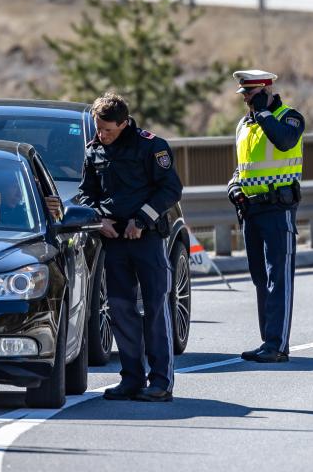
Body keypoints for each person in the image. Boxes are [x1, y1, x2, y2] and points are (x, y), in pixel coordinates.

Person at [78, 93, 183, 402]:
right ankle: (131, 379)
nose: (102, 134)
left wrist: (141, 219)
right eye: (98, 128)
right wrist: (99, 220)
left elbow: (171, 189)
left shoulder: (151, 146)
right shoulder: (93, 150)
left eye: (108, 129)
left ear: (124, 123)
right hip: (114, 242)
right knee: (121, 310)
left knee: (155, 308)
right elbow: (86, 194)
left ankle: (161, 381)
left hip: (146, 239)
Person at [227, 70, 305, 363]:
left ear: (266, 89)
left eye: (250, 93)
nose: (246, 98)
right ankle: (266, 342)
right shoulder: (244, 125)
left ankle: (277, 345)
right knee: (260, 278)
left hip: (278, 207)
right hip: (251, 209)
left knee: (278, 277)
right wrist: (234, 187)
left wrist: (264, 113)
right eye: (244, 94)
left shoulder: (289, 117)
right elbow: (242, 167)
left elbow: (284, 142)